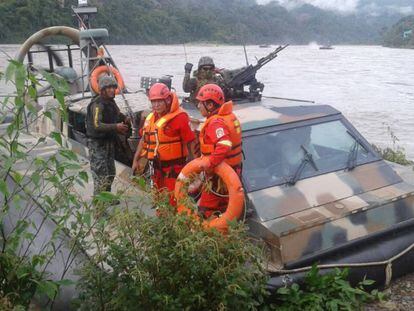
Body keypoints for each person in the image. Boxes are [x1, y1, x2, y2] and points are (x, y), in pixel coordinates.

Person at [131, 83, 195, 205]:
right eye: (153, 102)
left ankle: (175, 222)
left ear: (168, 100)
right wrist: (136, 160)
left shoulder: (180, 117)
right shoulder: (150, 118)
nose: (156, 105)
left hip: (174, 168)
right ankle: (162, 220)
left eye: (159, 101)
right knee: (158, 200)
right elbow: (144, 140)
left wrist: (193, 165)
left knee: (174, 200)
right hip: (155, 168)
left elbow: (190, 142)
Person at [195, 84, 242, 218]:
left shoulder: (216, 123)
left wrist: (210, 162)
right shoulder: (229, 117)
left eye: (200, 103)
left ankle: (209, 234)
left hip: (218, 178)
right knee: (225, 209)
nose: (198, 106)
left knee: (205, 210)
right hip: (232, 173)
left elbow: (224, 144)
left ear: (210, 105)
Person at [85, 75, 130, 196]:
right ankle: (99, 207)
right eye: (108, 88)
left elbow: (117, 113)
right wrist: (116, 127)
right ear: (102, 90)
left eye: (113, 87)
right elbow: (97, 125)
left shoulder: (111, 102)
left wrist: (125, 118)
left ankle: (107, 198)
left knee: (110, 172)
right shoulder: (98, 104)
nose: (111, 90)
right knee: (100, 175)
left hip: (108, 143)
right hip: (97, 145)